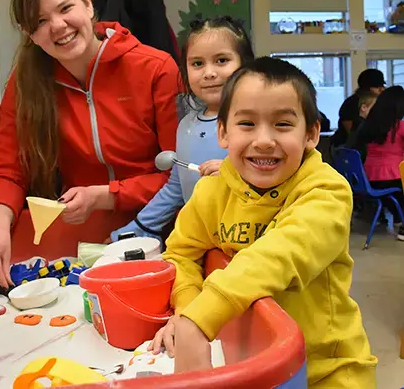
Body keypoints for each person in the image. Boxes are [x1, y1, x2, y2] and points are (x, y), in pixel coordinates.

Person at [150, 57, 377, 387]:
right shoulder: (211, 192)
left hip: (325, 368)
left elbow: (281, 253)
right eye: (247, 124)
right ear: (223, 132)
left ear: (311, 133)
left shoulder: (327, 191)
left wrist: (202, 315)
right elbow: (182, 254)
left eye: (283, 125)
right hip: (245, 359)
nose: (264, 140)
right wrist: (188, 308)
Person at [0, 0, 179, 288]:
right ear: (29, 35)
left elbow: (176, 177)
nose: (57, 26)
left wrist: (104, 195)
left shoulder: (156, 68)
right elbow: (7, 169)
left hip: (161, 230)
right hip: (83, 241)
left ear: (88, 4)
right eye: (39, 21)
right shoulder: (25, 83)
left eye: (65, 8)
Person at [110, 16, 254, 242]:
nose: (209, 73)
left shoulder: (258, 122)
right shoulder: (186, 125)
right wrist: (129, 233)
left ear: (245, 64)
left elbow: (278, 178)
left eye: (222, 60)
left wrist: (234, 173)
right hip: (199, 242)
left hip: (251, 242)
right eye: (197, 63)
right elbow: (177, 188)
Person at [352, 86, 404, 237]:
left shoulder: (369, 125)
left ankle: (398, 219)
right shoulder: (399, 127)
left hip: (369, 178)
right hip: (392, 178)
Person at [332, 68, 385, 147]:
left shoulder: (378, 102)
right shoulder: (351, 103)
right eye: (377, 87)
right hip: (347, 147)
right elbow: (352, 135)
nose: (382, 89)